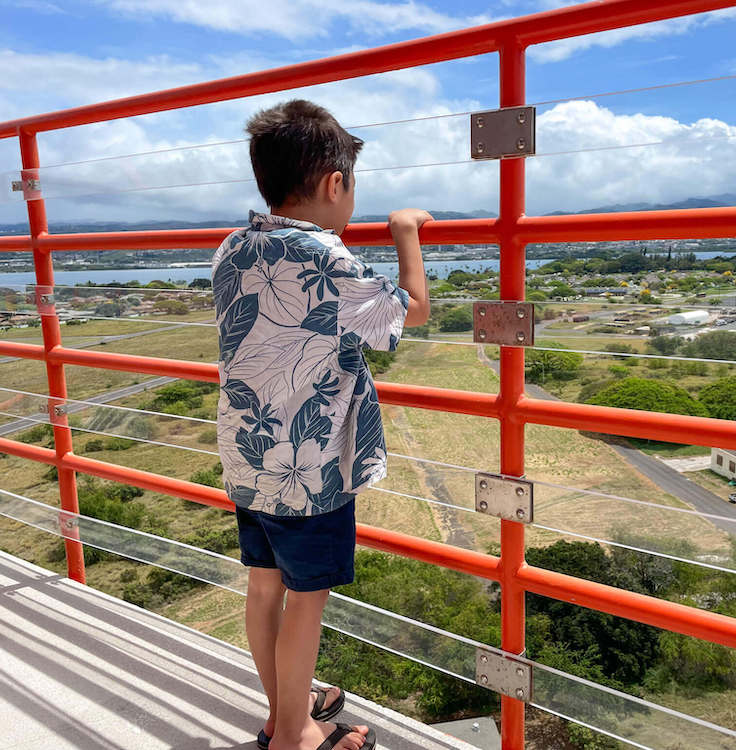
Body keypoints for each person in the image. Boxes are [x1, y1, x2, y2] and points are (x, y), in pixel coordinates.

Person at [210, 99, 431, 750]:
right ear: (336, 184)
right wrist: (405, 232)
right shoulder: (328, 260)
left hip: (248, 454)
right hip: (310, 469)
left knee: (263, 587)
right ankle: (293, 739)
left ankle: (288, 711)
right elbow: (409, 315)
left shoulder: (231, 248)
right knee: (309, 597)